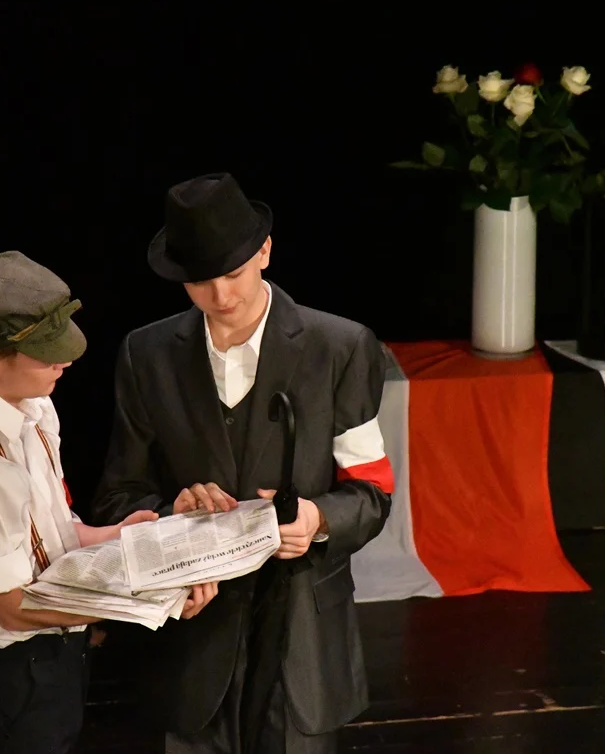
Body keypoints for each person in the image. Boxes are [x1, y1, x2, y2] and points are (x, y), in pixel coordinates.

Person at [92, 172, 396, 753]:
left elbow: (371, 493)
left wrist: (318, 519)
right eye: (200, 281)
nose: (220, 295)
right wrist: (171, 512)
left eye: (232, 273)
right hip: (193, 639)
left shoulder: (340, 348)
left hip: (300, 633)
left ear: (264, 251)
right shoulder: (147, 355)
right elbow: (118, 496)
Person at [0, 251, 171, 753]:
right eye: (46, 355)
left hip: (54, 657)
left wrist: (119, 537)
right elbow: (10, 606)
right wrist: (134, 602)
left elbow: (48, 532)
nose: (64, 363)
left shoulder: (32, 406)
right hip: (8, 677)